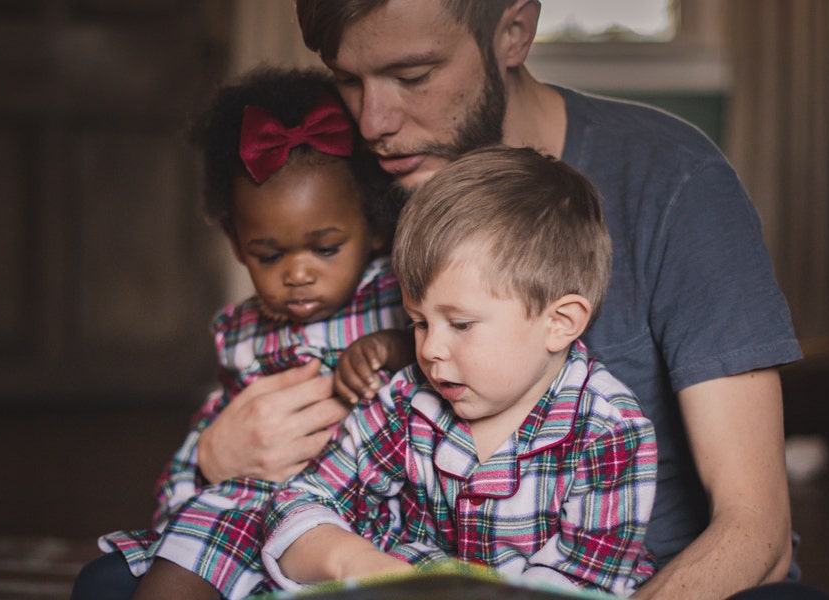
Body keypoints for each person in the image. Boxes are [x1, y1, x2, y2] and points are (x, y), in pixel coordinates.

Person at [291, 1, 806, 597]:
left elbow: (757, 531)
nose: (372, 123)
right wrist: (219, 450)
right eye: (347, 80)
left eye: (413, 76)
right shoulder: (355, 182)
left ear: (514, 32)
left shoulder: (674, 180)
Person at [71, 67, 411, 600]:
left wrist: (391, 346)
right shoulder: (241, 330)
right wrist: (199, 474)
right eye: (269, 255)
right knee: (162, 571)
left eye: (325, 248)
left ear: (375, 230)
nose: (297, 273)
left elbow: (440, 358)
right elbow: (215, 428)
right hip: (248, 507)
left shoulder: (393, 297)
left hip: (349, 512)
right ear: (236, 242)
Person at [262, 146, 659, 597]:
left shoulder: (609, 432)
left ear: (559, 323)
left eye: (461, 324)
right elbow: (298, 505)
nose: (430, 349)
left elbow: (583, 582)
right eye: (418, 322)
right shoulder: (406, 400)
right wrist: (359, 563)